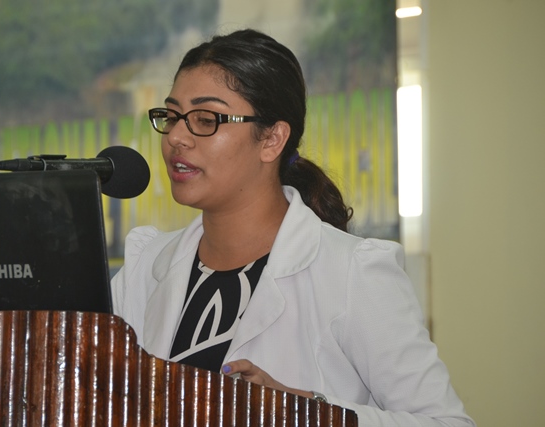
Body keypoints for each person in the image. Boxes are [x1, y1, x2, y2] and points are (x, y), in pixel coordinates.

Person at [111, 29, 475, 426]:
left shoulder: (352, 273)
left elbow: (447, 423)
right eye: (171, 116)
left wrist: (304, 413)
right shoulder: (145, 265)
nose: (177, 138)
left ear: (272, 139)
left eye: (205, 119)